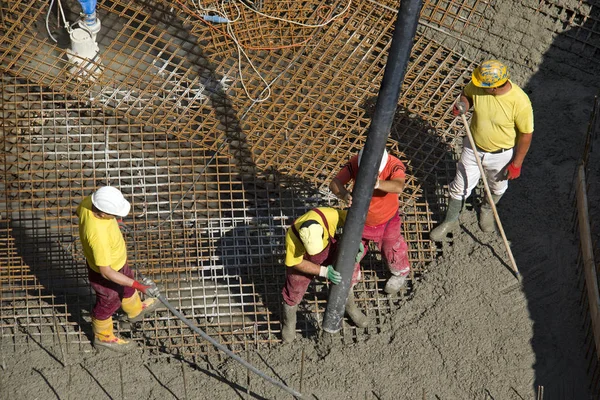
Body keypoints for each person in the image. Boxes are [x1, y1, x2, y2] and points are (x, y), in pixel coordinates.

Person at [430, 59, 534, 241]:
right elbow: (467, 94)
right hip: (473, 147)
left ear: (494, 87)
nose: (478, 86)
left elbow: (526, 135)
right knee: (459, 187)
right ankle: (451, 220)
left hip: (501, 155)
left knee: (498, 186)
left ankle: (486, 210)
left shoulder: (520, 102)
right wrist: (464, 105)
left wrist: (516, 163)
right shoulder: (479, 87)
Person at [77, 186, 160, 352]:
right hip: (106, 273)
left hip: (117, 262)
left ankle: (135, 310)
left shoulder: (90, 202)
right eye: (114, 215)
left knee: (127, 284)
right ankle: (103, 336)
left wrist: (115, 223)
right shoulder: (98, 236)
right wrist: (140, 286)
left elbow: (78, 212)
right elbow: (106, 272)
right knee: (109, 300)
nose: (118, 216)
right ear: (102, 213)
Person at [330, 148, 411, 295]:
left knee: (392, 248)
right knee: (351, 252)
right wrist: (343, 194)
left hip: (387, 220)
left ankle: (400, 271)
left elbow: (398, 186)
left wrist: (378, 183)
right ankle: (351, 279)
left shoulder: (394, 164)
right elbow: (335, 183)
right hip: (360, 222)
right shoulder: (355, 162)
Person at [281, 207, 367, 342]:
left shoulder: (329, 215)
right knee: (293, 289)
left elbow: (354, 222)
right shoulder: (292, 237)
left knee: (348, 274)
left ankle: (350, 307)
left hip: (330, 250)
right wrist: (323, 271)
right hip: (305, 260)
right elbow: (296, 263)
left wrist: (356, 243)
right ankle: (289, 324)